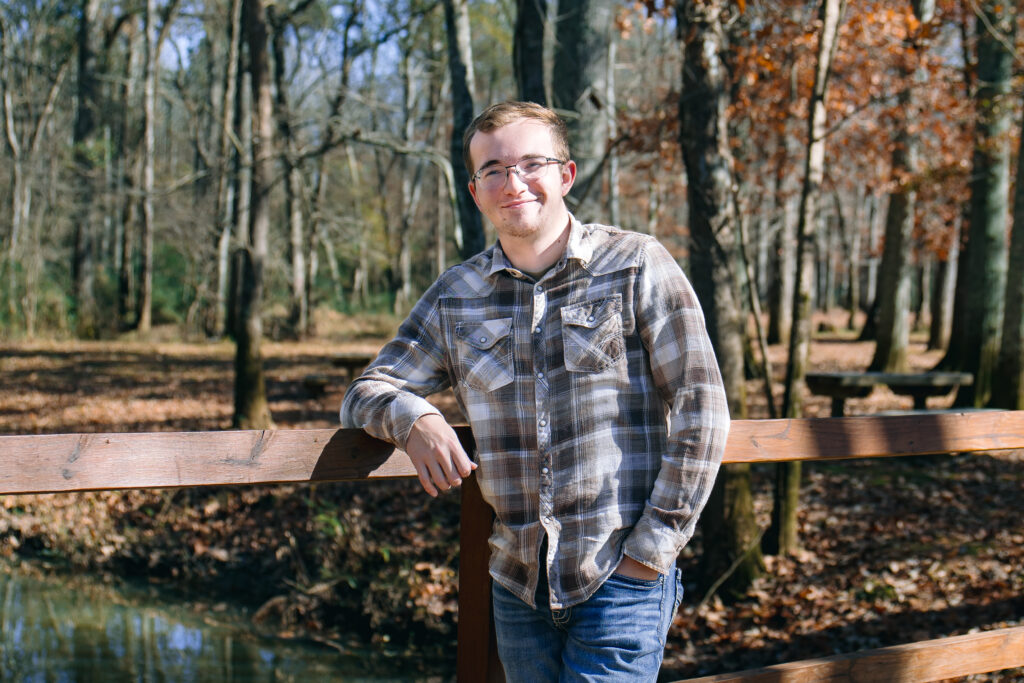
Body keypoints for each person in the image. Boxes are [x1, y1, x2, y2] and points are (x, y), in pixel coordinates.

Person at [341, 101, 729, 681]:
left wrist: (651, 553)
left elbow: (703, 407)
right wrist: (413, 418)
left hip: (619, 579)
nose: (512, 182)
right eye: (492, 170)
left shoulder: (636, 264)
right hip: (517, 586)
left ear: (565, 175)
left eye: (530, 164)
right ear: (476, 191)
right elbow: (367, 390)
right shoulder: (458, 295)